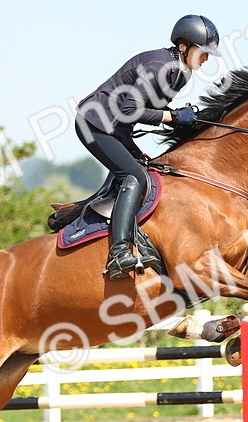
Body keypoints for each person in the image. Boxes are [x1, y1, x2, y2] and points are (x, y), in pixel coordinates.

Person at [75, 14, 220, 280]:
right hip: (95, 124)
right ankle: (118, 253)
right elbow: (131, 109)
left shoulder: (180, 75)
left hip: (117, 129)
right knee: (134, 177)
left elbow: (152, 110)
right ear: (183, 46)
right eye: (204, 52)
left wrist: (181, 119)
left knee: (145, 170)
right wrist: (173, 117)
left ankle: (76, 213)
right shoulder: (158, 66)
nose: (206, 59)